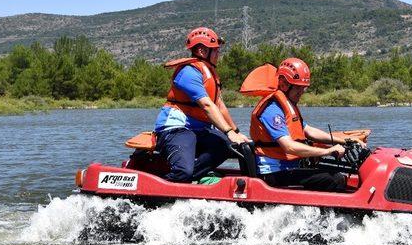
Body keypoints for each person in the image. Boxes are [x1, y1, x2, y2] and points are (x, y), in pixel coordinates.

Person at [250, 58, 364, 191]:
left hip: (289, 168)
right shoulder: (272, 110)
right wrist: (326, 151)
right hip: (273, 174)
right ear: (283, 84)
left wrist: (345, 141)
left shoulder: (288, 105)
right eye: (298, 87)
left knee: (336, 174)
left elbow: (308, 131)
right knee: (335, 179)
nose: (302, 92)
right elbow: (289, 147)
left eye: (303, 88)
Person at [154, 26, 250, 183]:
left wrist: (236, 132)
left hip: (198, 130)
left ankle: (195, 178)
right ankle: (172, 183)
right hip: (176, 129)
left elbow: (219, 105)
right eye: (216, 50)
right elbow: (206, 105)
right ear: (202, 51)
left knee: (227, 145)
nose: (219, 54)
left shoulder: (209, 73)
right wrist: (228, 131)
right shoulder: (188, 72)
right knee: (183, 172)